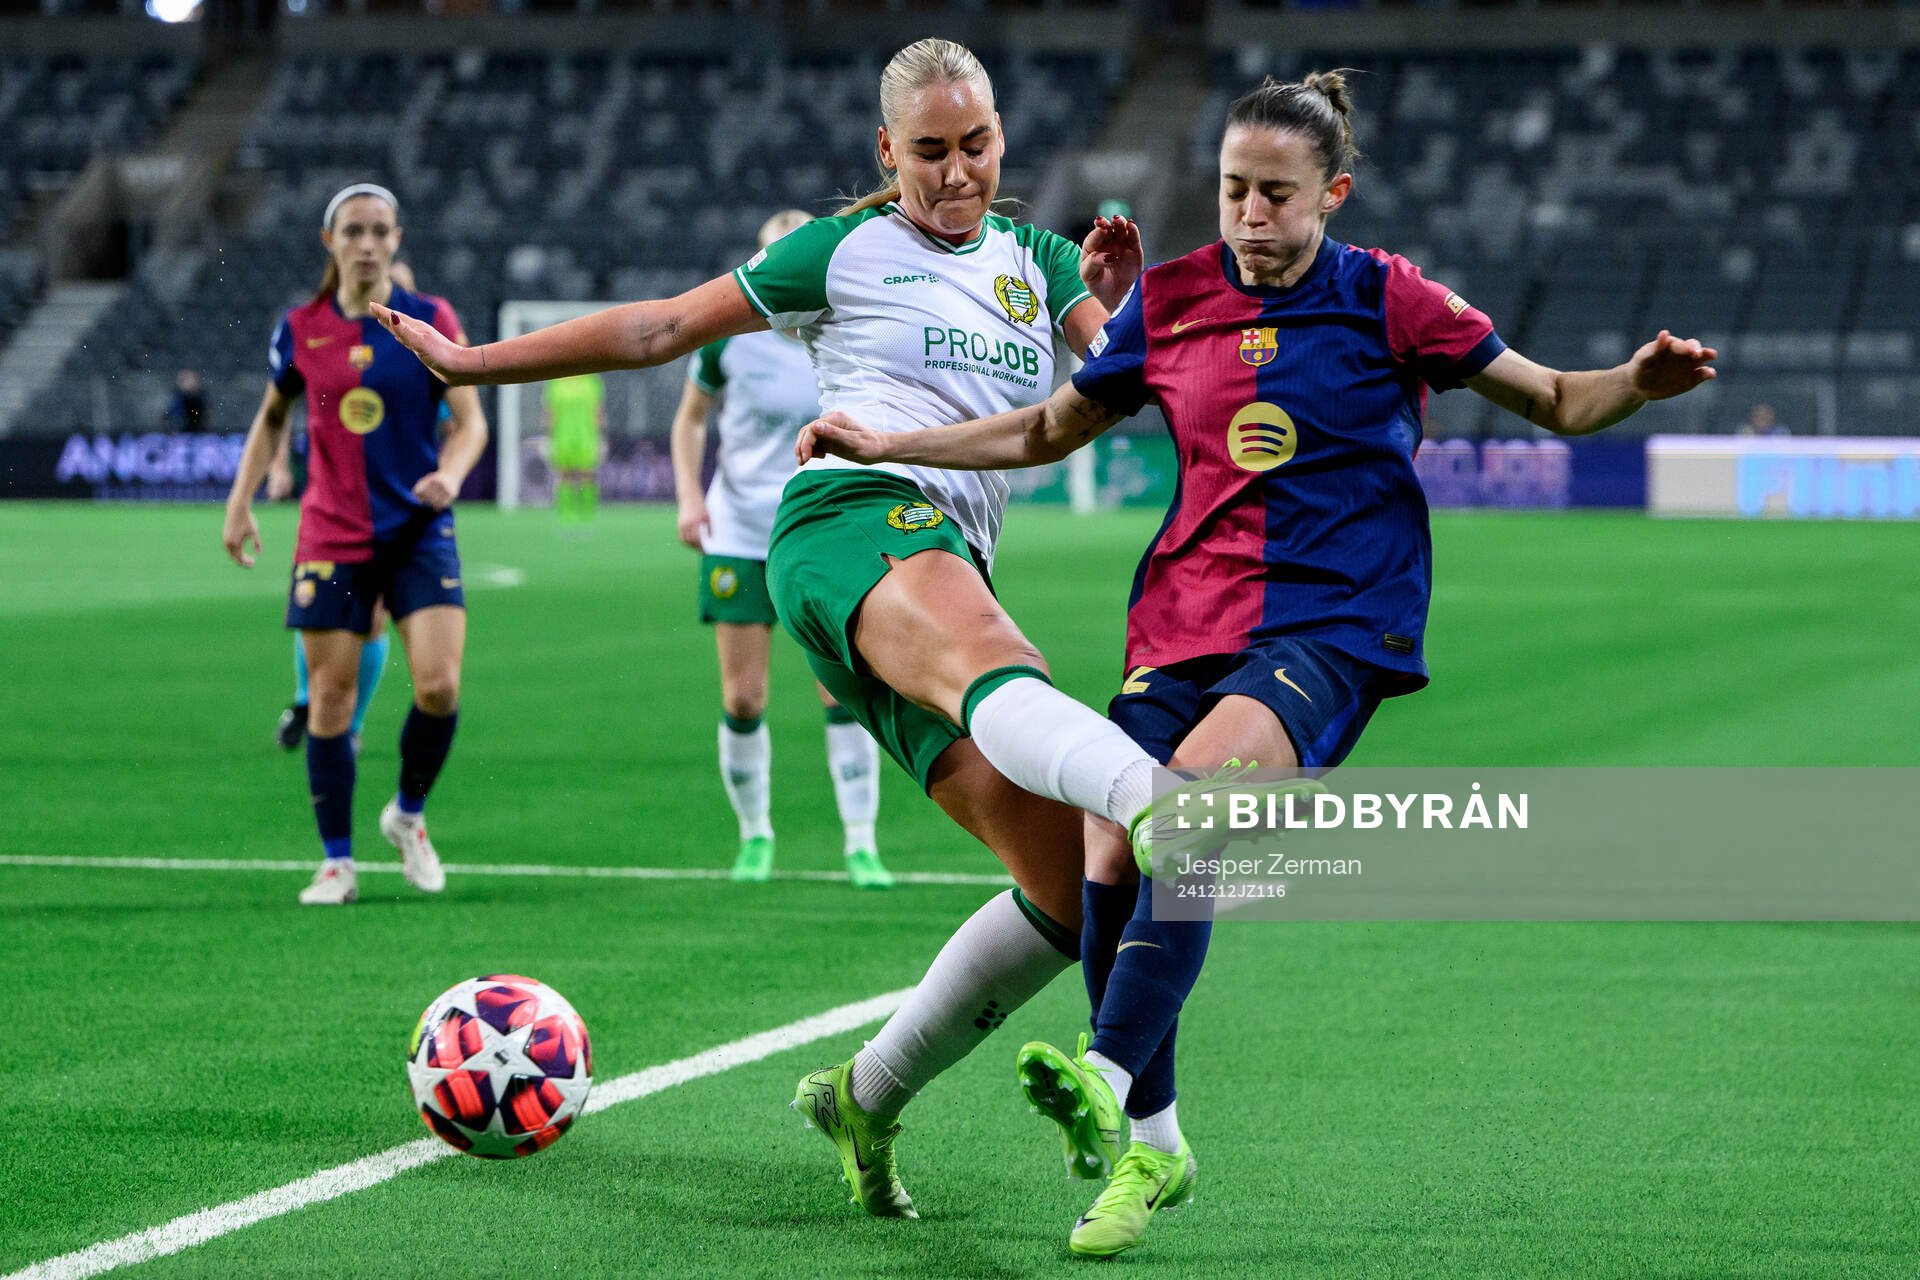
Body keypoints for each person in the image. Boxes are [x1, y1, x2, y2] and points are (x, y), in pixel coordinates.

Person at [797, 70, 1718, 1257]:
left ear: (1330, 193)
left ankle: (1105, 1069)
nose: (1248, 214)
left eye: (1277, 194)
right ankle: (1156, 1150)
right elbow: (1042, 429)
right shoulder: (1171, 299)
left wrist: (1631, 387)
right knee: (1110, 842)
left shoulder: (1391, 296)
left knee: (1184, 815)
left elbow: (1550, 396)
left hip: (1334, 623)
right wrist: (891, 439)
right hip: (1180, 620)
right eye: (1232, 188)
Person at [375, 38, 1219, 1219]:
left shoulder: (1038, 260)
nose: (956, 172)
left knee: (1073, 890)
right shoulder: (843, 247)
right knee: (1015, 679)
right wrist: (474, 361)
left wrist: (1124, 303)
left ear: (1002, 139)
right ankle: (1160, 794)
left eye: (975, 145)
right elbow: (665, 327)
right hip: (848, 522)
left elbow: (1133, 380)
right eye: (929, 151)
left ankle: (865, 1096)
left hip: (928, 570)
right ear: (887, 151)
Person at [223, 185, 491, 907]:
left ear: (397, 239)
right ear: (330, 241)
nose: (367, 244)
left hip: (416, 530)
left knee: (438, 686)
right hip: (332, 538)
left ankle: (407, 814)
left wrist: (452, 473)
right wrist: (240, 500)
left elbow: (471, 420)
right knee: (331, 701)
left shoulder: (431, 321)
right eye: (354, 232)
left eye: (379, 231)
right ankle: (337, 863)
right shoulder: (300, 327)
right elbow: (271, 419)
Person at [668, 209, 893, 888]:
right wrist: (689, 495)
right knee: (743, 697)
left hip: (823, 533)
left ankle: (861, 843)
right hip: (739, 532)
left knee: (842, 692)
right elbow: (690, 421)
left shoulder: (848, 336)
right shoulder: (727, 342)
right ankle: (755, 836)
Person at [266, 260, 436, 754]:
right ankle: (306, 700)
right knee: (318, 611)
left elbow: (448, 422)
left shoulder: (420, 356)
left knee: (374, 616)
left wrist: (441, 472)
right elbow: (281, 407)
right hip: (335, 506)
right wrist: (278, 466)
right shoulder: (328, 341)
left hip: (397, 512)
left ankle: (352, 724)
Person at [544, 372, 605, 524]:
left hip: (586, 434)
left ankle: (588, 513)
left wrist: (601, 435)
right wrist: (548, 435)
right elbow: (551, 412)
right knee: (564, 473)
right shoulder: (556, 383)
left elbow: (598, 411)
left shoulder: (591, 381)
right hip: (563, 434)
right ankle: (566, 513)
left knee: (587, 473)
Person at [166, 369, 207, 433]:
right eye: (185, 380)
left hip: (197, 434)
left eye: (190, 380)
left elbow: (204, 420)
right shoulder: (175, 398)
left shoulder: (202, 399)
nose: (188, 383)